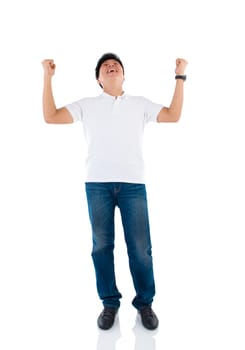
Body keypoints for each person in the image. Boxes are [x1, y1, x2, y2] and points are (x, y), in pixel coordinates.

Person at [42, 53, 188, 331]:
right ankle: (109, 303)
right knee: (101, 247)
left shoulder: (139, 104)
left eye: (116, 65)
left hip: (133, 185)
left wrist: (180, 76)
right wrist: (48, 77)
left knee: (141, 250)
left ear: (123, 76)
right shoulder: (86, 105)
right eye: (105, 66)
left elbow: (173, 115)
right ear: (99, 79)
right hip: (97, 185)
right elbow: (51, 116)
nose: (111, 67)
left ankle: (145, 303)